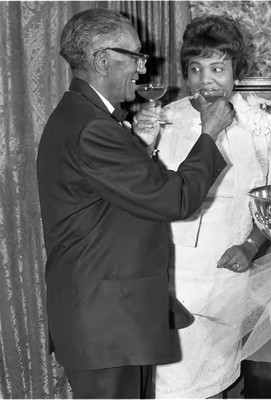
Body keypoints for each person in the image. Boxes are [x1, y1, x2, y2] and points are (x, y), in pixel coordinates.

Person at [36, 8, 234, 399]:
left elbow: (115, 201)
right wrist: (209, 132)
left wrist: (141, 148)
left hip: (113, 320)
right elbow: (176, 199)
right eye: (136, 57)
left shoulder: (88, 117)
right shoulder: (93, 127)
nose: (142, 69)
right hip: (107, 325)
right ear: (102, 60)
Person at [135, 14, 271, 398]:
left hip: (227, 272)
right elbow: (144, 192)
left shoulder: (257, 126)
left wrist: (250, 246)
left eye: (218, 68)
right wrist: (143, 143)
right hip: (172, 271)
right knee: (172, 379)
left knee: (213, 376)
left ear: (237, 71)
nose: (206, 80)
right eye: (196, 69)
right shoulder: (166, 119)